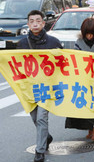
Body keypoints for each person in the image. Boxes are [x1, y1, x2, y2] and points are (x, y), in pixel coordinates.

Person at [17, 10, 63, 162]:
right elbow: (16, 65)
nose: (35, 23)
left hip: (47, 88)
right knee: (35, 117)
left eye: (38, 20)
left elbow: (62, 64)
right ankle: (46, 136)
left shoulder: (53, 42)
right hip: (29, 88)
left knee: (42, 117)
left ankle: (39, 151)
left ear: (43, 23)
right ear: (28, 24)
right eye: (32, 21)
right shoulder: (22, 44)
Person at [65, 18, 94, 141]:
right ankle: (90, 128)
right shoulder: (79, 42)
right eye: (87, 33)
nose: (89, 36)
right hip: (84, 77)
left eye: (91, 33)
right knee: (86, 103)